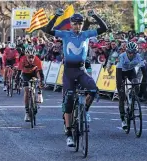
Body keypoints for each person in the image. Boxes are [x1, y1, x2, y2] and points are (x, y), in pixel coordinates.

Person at [41, 9, 107, 147]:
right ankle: (69, 133)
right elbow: (47, 29)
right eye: (75, 24)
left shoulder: (86, 34)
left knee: (93, 90)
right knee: (69, 100)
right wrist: (56, 16)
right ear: (71, 24)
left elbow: (104, 28)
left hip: (81, 70)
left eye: (80, 24)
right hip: (69, 71)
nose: (77, 26)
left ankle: (85, 111)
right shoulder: (65, 34)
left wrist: (94, 15)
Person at [116, 42, 147, 129]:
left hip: (131, 71)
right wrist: (119, 86)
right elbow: (118, 72)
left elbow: (144, 71)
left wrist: (146, 82)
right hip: (121, 73)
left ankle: (132, 97)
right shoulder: (122, 56)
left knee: (136, 83)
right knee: (121, 96)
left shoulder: (138, 56)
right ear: (126, 51)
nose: (131, 54)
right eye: (129, 52)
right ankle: (123, 120)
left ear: (136, 52)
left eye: (133, 52)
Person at [17, 46, 44, 122]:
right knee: (26, 90)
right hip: (26, 74)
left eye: (32, 57)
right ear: (26, 56)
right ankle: (27, 112)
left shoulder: (37, 60)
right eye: (29, 57)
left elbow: (41, 74)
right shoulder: (22, 60)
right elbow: (19, 72)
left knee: (39, 80)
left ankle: (39, 94)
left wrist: (41, 82)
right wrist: (17, 81)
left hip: (34, 72)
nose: (31, 59)